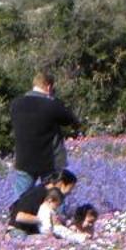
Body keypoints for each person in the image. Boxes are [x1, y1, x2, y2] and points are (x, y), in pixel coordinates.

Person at [9, 71, 79, 201]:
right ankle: (56, 219)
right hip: (49, 161)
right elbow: (70, 119)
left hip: (24, 159)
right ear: (48, 87)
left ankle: (17, 219)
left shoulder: (16, 104)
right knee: (55, 196)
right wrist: (55, 100)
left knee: (20, 198)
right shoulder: (52, 105)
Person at [8, 171, 80, 240]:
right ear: (61, 183)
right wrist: (46, 219)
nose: (70, 192)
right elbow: (19, 217)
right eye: (70, 189)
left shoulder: (50, 195)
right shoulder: (37, 194)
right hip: (16, 232)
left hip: (29, 233)